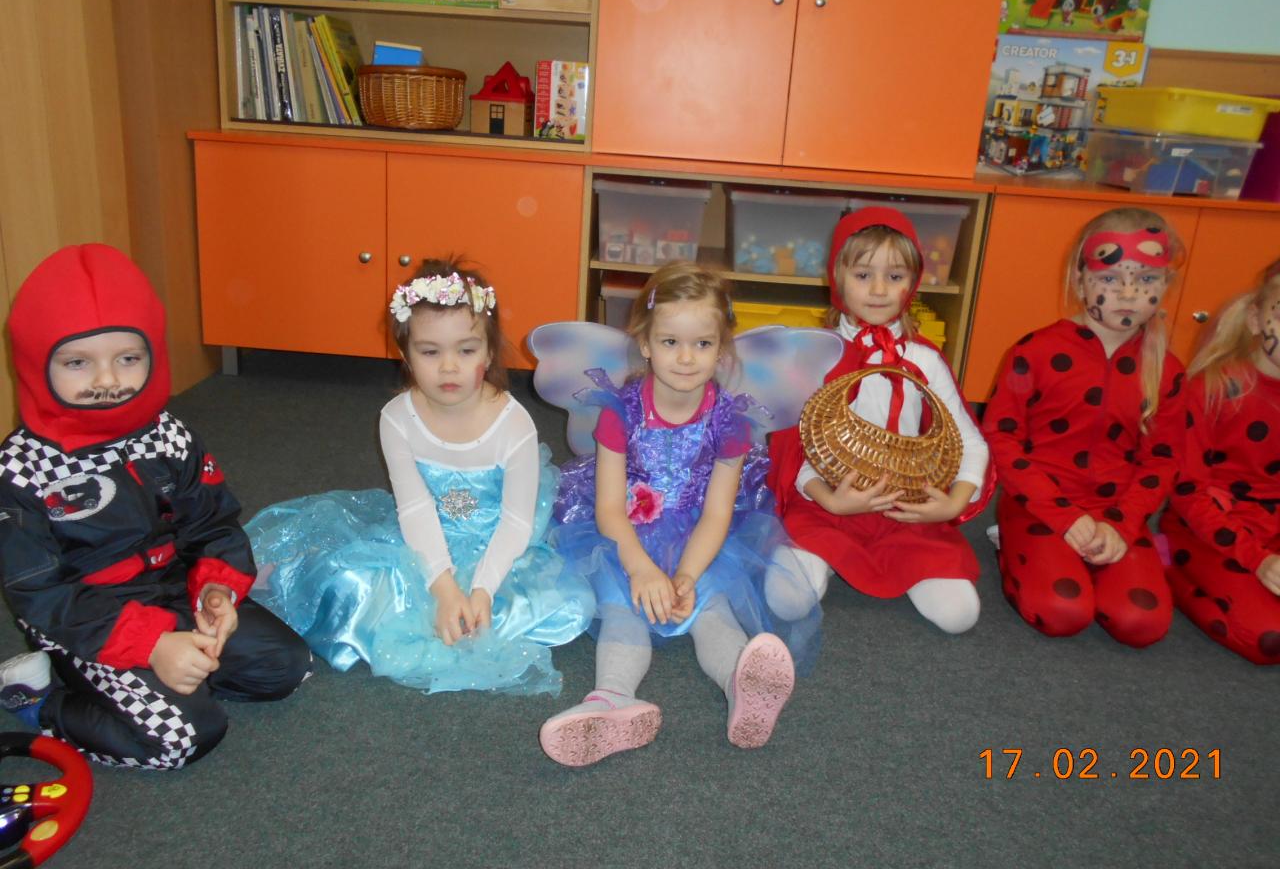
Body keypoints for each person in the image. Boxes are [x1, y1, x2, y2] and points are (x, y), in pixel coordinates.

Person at [0, 244, 310, 770]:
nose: (107, 381)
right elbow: (43, 596)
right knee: (180, 740)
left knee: (286, 667)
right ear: (36, 364)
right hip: (90, 618)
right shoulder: (21, 469)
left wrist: (215, 589)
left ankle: (168, 681)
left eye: (128, 358)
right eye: (77, 362)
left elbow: (213, 523)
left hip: (172, 590)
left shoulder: (167, 434)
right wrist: (151, 646)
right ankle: (41, 701)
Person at [248, 259, 592, 695]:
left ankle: (465, 611)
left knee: (571, 605)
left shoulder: (513, 423)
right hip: (423, 543)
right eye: (430, 352)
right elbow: (415, 509)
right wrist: (444, 587)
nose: (448, 367)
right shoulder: (397, 418)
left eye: (466, 351)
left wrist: (481, 590)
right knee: (351, 583)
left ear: (489, 353)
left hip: (499, 547)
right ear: (406, 355)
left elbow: (515, 522)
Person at [539, 263, 820, 767]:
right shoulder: (618, 412)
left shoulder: (729, 422)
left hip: (700, 535)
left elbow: (717, 514)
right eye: (670, 342)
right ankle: (611, 700)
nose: (686, 358)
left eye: (702, 344)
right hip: (624, 533)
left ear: (721, 349)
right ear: (645, 344)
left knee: (712, 609)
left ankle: (743, 687)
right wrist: (642, 569)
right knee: (624, 607)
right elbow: (609, 509)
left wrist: (687, 574)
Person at [767, 208, 992, 634]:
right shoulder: (819, 354)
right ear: (837, 276)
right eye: (863, 275)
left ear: (913, 281)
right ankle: (822, 557)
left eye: (894, 276)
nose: (878, 289)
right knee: (787, 601)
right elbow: (797, 445)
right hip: (828, 501)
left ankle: (888, 560)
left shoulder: (923, 359)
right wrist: (830, 499)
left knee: (960, 616)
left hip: (904, 510)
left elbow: (971, 441)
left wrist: (954, 503)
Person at [983, 208, 1185, 647]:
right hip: (1039, 503)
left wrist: (1124, 524)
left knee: (1141, 622)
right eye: (1109, 278)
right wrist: (1063, 516)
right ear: (1080, 281)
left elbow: (1163, 459)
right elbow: (1001, 437)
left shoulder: (1167, 370)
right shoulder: (1035, 351)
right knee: (1063, 611)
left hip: (1118, 510)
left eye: (1146, 279)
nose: (1128, 293)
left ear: (1166, 284)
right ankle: (1011, 545)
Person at [1161, 259, 1280, 663]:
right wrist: (1258, 560)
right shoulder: (1214, 389)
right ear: (1256, 319)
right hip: (1210, 531)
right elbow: (1188, 494)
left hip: (1271, 530)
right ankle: (1168, 564)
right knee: (1269, 639)